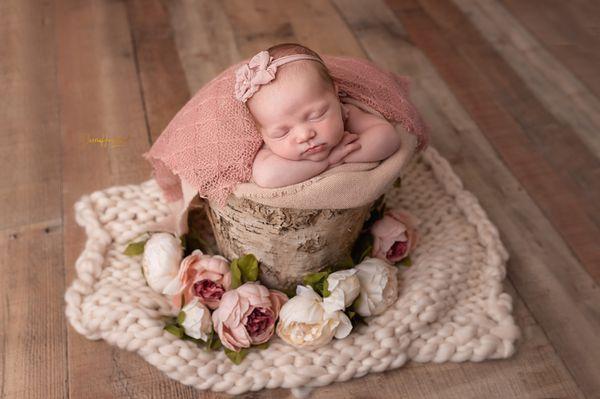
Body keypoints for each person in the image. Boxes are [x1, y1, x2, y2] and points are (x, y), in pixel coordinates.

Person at [235, 43, 403, 188]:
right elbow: (267, 177)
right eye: (282, 132)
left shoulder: (347, 113)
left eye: (317, 115)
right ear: (263, 134)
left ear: (336, 96)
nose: (305, 135)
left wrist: (348, 153)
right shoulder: (268, 145)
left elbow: (388, 138)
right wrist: (329, 161)